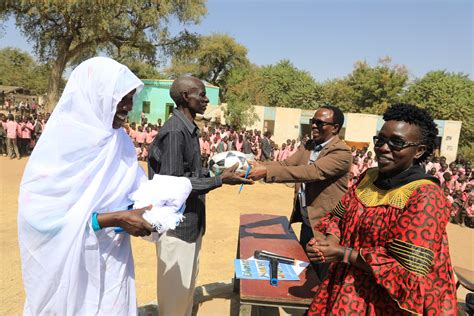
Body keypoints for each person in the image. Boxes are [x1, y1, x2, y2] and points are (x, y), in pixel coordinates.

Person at [18, 57, 157, 315]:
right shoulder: (60, 145)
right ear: (96, 96)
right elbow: (38, 218)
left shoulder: (122, 143)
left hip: (114, 263)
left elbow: (138, 192)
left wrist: (162, 205)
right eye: (121, 98)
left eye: (130, 97)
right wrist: (110, 219)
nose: (129, 105)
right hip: (71, 270)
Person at [306, 103, 457, 315]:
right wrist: (330, 239)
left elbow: (406, 269)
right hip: (346, 287)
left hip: (387, 302)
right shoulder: (369, 177)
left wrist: (343, 253)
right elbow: (339, 216)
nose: (384, 148)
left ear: (419, 151)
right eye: (381, 140)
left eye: (397, 142)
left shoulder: (426, 196)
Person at [148, 75, 253, 316]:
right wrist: (218, 180)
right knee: (175, 299)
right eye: (202, 95)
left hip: (192, 223)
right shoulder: (175, 131)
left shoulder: (189, 128)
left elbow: (189, 173)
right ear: (186, 97)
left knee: (186, 291)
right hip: (177, 229)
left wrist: (214, 172)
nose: (206, 100)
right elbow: (173, 184)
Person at [247, 105, 352, 279]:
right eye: (313, 121)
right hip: (308, 223)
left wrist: (266, 172)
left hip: (327, 230)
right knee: (306, 273)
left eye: (320, 123)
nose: (314, 126)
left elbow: (312, 172)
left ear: (335, 128)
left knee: (323, 278)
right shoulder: (310, 146)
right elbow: (286, 165)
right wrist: (260, 166)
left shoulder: (341, 152)